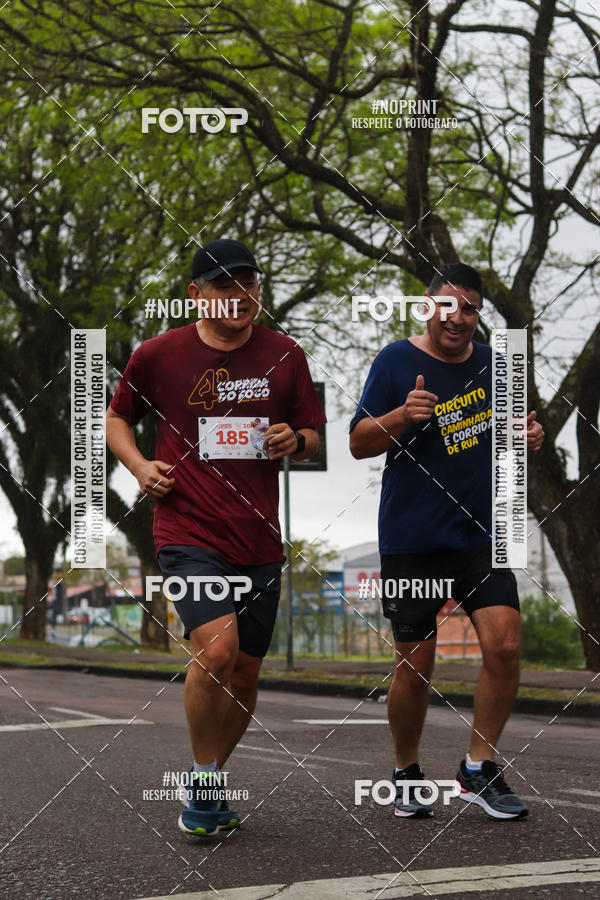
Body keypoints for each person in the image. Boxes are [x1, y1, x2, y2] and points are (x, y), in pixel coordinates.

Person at [106, 238, 326, 835]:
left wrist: (295, 442)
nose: (240, 295)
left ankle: (209, 782)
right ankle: (203, 785)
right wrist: (139, 467)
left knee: (247, 674)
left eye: (249, 283)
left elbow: (313, 435)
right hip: (187, 528)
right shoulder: (158, 354)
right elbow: (117, 417)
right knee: (218, 652)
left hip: (258, 537)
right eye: (225, 285)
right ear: (195, 294)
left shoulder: (286, 355)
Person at [349, 262, 544, 820]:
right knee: (416, 665)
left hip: (480, 534)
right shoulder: (395, 360)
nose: (458, 317)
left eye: (470, 308)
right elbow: (360, 443)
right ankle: (407, 772)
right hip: (413, 536)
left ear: (479, 316)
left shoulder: (496, 366)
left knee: (505, 647)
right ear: (427, 306)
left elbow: (508, 435)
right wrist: (400, 416)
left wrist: (526, 434)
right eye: (448, 305)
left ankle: (478, 769)